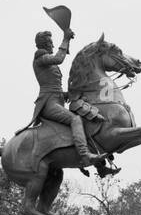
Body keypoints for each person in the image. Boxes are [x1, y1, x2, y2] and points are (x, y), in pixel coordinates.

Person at [28, 28, 95, 167]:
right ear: (45, 44)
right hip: (48, 104)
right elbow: (59, 58)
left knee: (82, 116)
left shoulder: (47, 62)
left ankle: (99, 165)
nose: (53, 45)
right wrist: (65, 39)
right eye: (50, 43)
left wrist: (70, 94)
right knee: (75, 119)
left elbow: (55, 88)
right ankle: (84, 154)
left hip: (57, 100)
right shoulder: (41, 59)